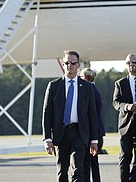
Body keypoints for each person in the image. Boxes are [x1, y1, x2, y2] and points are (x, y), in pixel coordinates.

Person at [42, 50, 99, 182]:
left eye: (73, 63)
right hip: (61, 133)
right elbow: (47, 113)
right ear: (63, 64)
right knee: (62, 172)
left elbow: (92, 114)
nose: (70, 65)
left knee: (78, 169)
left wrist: (94, 140)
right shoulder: (54, 86)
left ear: (78, 65)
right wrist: (47, 138)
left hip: (79, 133)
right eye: (67, 63)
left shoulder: (87, 87)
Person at [113, 53, 136, 182]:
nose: (131, 65)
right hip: (127, 125)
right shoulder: (120, 83)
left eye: (134, 62)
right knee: (125, 157)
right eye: (128, 63)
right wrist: (127, 106)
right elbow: (116, 102)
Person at [81, 68, 105, 182]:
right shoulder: (95, 90)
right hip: (98, 131)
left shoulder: (88, 91)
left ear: (85, 78)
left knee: (86, 162)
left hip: (91, 132)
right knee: (94, 162)